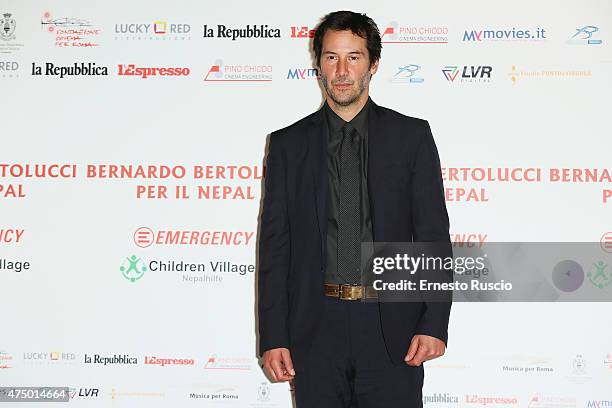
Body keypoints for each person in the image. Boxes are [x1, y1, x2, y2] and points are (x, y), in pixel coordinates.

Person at [258, 10, 451, 407]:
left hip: (392, 331)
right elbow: (275, 248)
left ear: (373, 64)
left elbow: (432, 236)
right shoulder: (287, 146)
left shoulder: (411, 137)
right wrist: (274, 336)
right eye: (331, 57)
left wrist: (434, 323)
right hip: (315, 328)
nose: (342, 70)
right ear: (319, 65)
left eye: (354, 57)